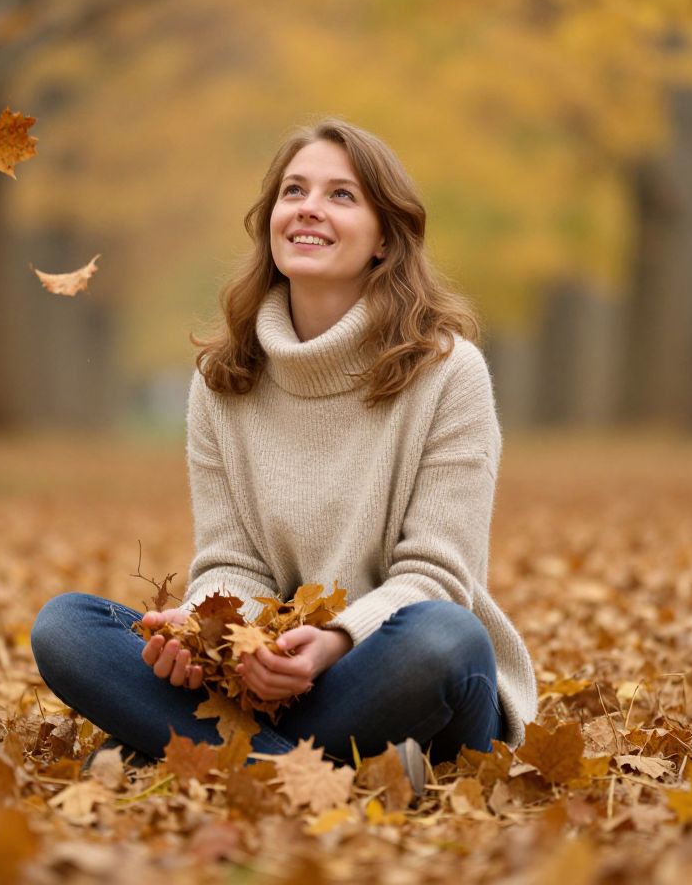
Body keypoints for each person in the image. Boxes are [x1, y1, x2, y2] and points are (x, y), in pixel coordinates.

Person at [31, 117, 537, 788]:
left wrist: (333, 644)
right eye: (293, 191)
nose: (308, 208)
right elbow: (231, 561)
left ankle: (188, 749)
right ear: (270, 220)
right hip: (271, 683)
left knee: (445, 634)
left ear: (386, 237)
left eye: (341, 195)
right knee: (66, 626)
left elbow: (437, 574)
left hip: (393, 673)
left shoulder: (448, 372)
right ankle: (308, 774)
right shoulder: (223, 380)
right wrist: (203, 637)